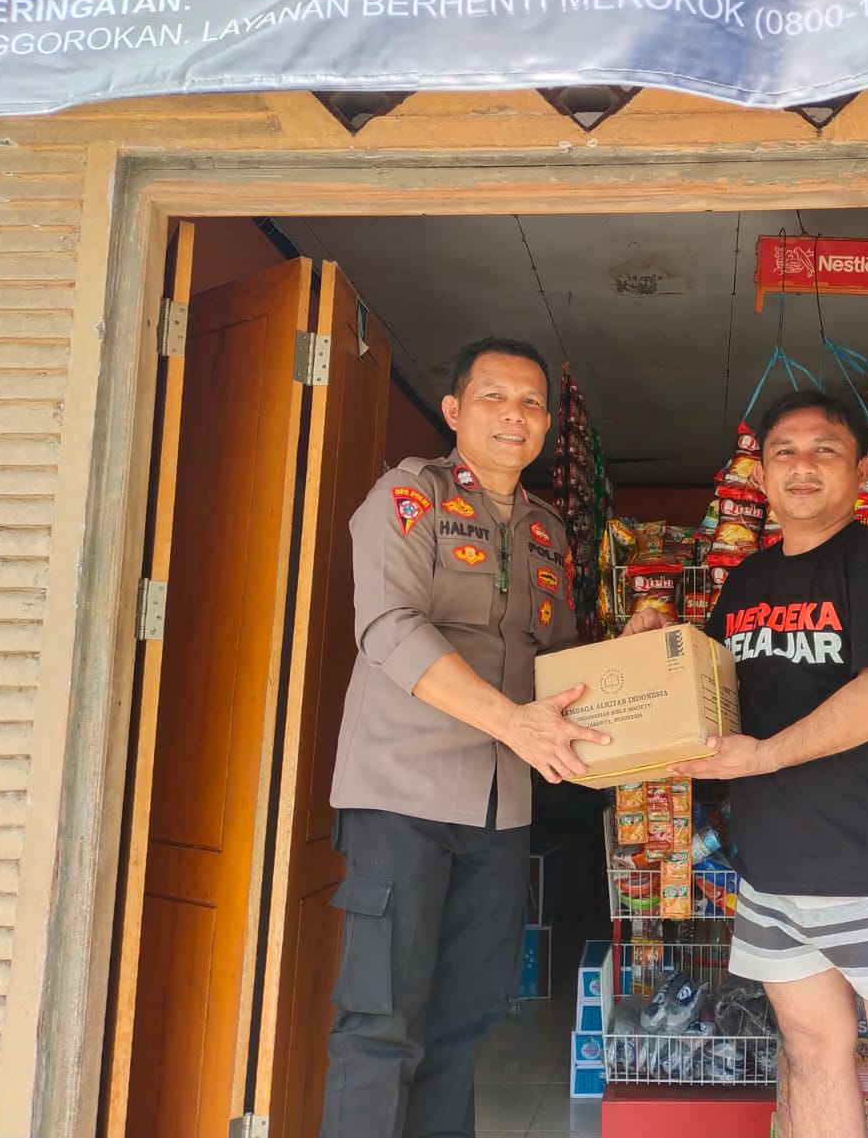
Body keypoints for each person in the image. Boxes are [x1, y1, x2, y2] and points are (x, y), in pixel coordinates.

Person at [630, 389, 868, 1138]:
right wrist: (653, 647)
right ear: (760, 477)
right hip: (773, 873)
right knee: (811, 1055)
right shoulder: (746, 583)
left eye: (825, 449)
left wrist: (763, 757)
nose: (802, 465)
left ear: (862, 472)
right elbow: (714, 698)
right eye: (783, 451)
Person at [322, 337, 607, 1138]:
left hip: (499, 810)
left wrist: (631, 653)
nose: (514, 415)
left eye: (530, 403)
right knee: (380, 1023)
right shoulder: (410, 495)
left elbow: (555, 665)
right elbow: (389, 625)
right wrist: (511, 722)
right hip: (402, 795)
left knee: (466, 1019)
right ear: (453, 410)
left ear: (546, 424)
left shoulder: (548, 530)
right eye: (494, 397)